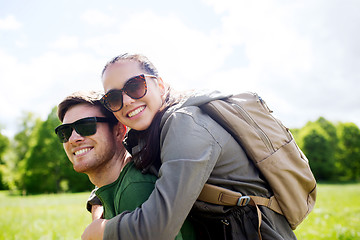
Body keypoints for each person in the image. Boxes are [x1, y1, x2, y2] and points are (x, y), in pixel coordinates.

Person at [82, 54, 298, 240]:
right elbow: (123, 169)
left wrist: (100, 231)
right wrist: (97, 201)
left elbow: (158, 227)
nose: (127, 100)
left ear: (160, 85)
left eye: (135, 86)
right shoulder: (146, 135)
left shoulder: (185, 124)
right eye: (113, 97)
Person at [55, 91, 196, 240]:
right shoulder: (115, 185)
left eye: (86, 126)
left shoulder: (135, 188)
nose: (73, 139)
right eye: (65, 131)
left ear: (119, 130)